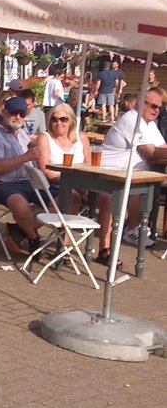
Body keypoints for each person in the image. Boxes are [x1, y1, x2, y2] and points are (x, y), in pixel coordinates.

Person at [96, 87, 167, 260]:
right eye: (153, 106)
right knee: (140, 187)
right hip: (107, 176)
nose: (156, 111)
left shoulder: (148, 123)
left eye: (160, 107)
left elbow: (162, 148)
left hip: (131, 176)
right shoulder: (132, 120)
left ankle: (132, 227)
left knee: (147, 185)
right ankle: (127, 231)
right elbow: (150, 153)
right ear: (140, 103)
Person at [0, 96, 44, 257]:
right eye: (13, 113)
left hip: (26, 181)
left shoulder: (21, 133)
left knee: (63, 199)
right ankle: (32, 237)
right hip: (2, 183)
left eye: (21, 114)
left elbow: (34, 150)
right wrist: (25, 157)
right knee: (20, 205)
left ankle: (19, 229)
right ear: (4, 112)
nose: (17, 117)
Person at [34, 104, 91, 211]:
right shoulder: (44, 138)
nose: (58, 123)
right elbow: (45, 170)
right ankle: (68, 227)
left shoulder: (82, 137)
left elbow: (89, 165)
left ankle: (113, 228)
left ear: (71, 121)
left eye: (63, 119)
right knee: (72, 196)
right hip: (53, 185)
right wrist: (72, 183)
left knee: (107, 198)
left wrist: (81, 184)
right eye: (54, 119)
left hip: (81, 183)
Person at [93, 57, 124, 123]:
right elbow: (117, 81)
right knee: (111, 105)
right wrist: (114, 86)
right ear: (109, 66)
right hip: (110, 91)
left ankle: (104, 118)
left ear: (104, 66)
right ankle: (112, 118)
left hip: (103, 91)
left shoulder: (101, 73)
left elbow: (98, 83)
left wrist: (96, 90)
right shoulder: (113, 73)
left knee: (103, 104)